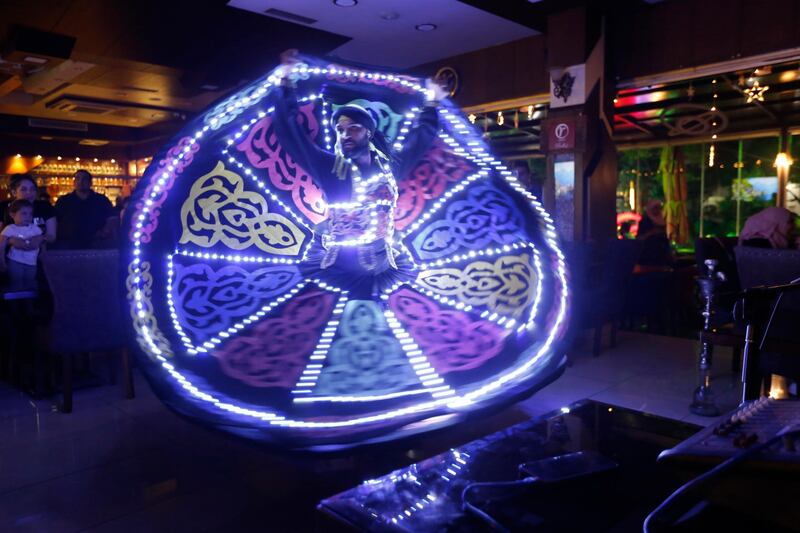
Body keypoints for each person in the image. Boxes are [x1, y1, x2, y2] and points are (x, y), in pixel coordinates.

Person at [271, 50, 446, 297]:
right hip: (337, 272)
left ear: (368, 133)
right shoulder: (329, 166)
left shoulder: (390, 167)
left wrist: (432, 102)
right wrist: (286, 82)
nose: (345, 135)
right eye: (340, 130)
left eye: (353, 128)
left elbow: (421, 138)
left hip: (384, 270)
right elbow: (291, 133)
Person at [55, 169, 117, 249]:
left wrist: (105, 232)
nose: (81, 181)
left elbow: (112, 218)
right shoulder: (64, 201)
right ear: (74, 182)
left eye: (84, 179)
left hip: (97, 243)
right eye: (78, 179)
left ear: (90, 183)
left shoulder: (101, 200)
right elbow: (55, 221)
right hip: (70, 244)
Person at [0, 174, 57, 253]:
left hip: (38, 255)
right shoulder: (3, 207)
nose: (29, 192)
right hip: (9, 255)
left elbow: (52, 235)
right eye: (23, 189)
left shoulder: (45, 207)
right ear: (14, 192)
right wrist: (10, 241)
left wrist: (41, 238)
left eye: (32, 189)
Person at [0, 199, 42, 290]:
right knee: (16, 283)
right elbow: (1, 245)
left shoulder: (35, 228)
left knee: (30, 283)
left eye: (30, 214)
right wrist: (2, 261)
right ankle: (15, 303)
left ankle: (28, 303)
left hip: (32, 262)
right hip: (15, 261)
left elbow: (41, 242)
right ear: (12, 215)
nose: (28, 217)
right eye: (24, 213)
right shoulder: (10, 228)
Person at [636, 198, 673, 266]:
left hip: (661, 255)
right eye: (655, 208)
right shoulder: (645, 221)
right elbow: (639, 238)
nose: (658, 210)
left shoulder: (660, 220)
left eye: (659, 208)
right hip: (648, 255)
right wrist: (652, 233)